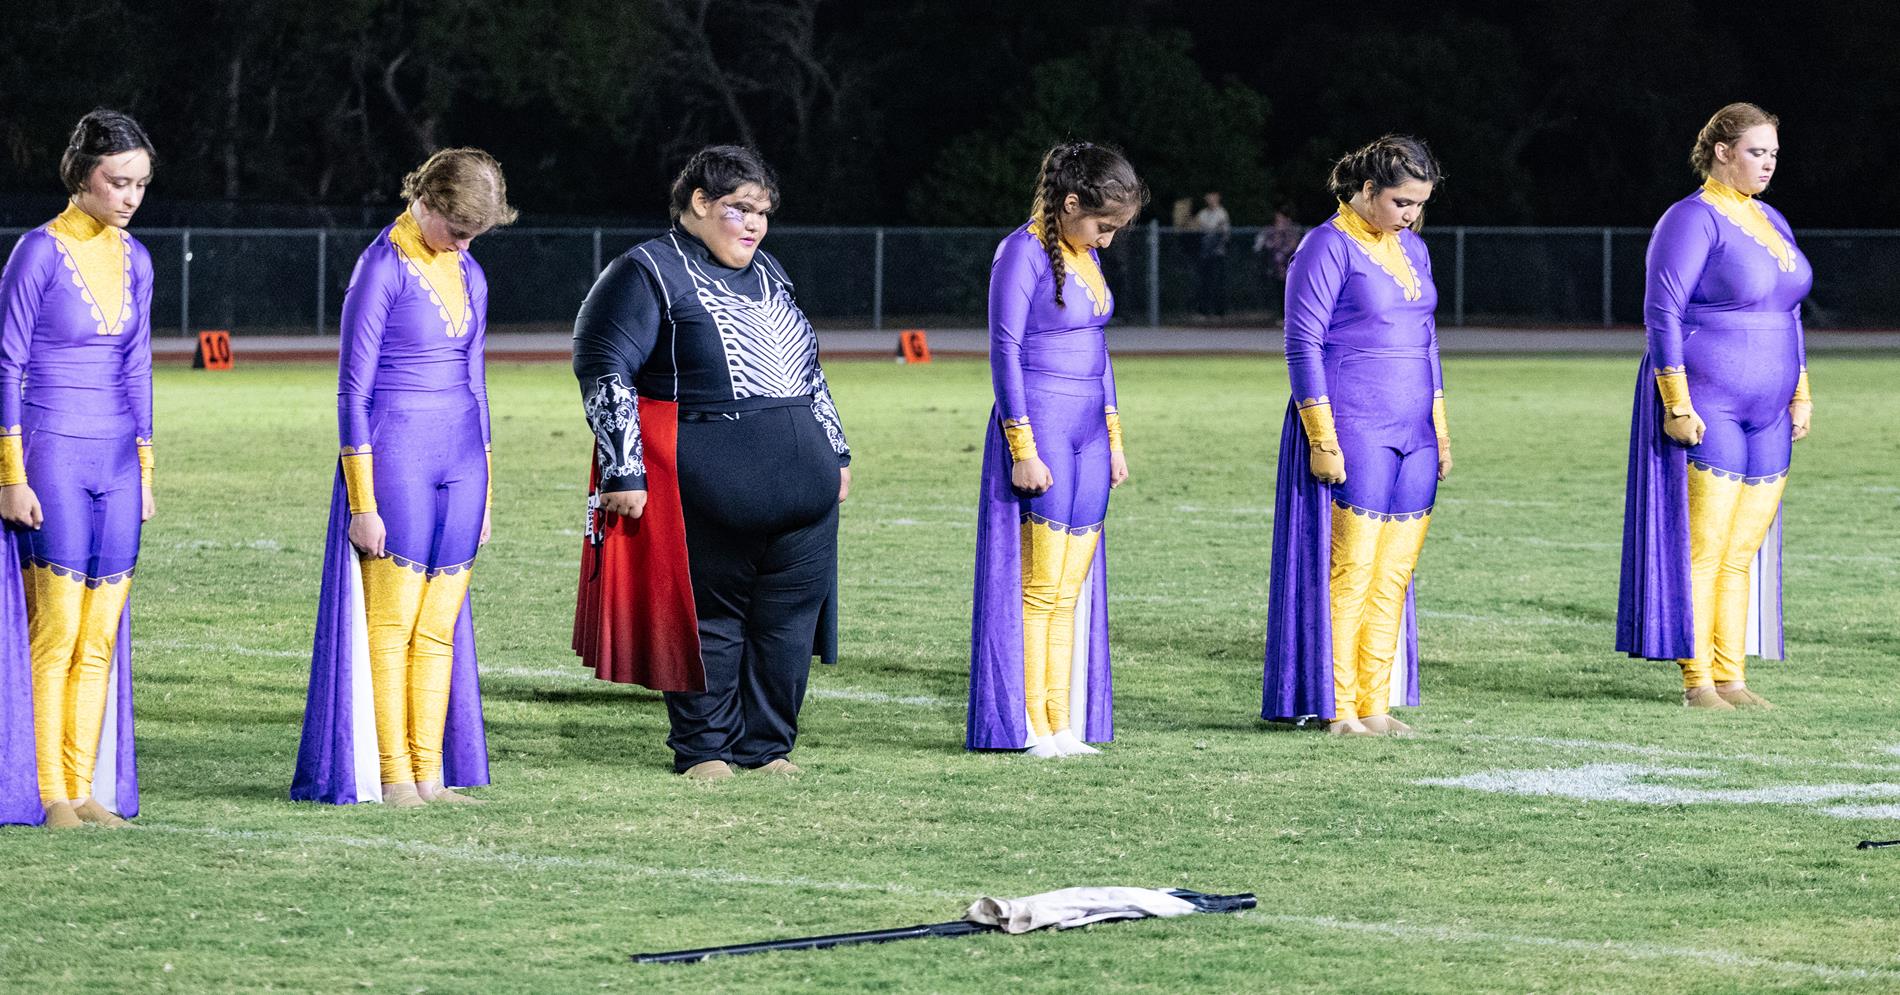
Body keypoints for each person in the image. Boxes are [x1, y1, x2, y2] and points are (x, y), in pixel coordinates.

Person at [572, 145, 850, 781]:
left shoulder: (770, 272)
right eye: (739, 209)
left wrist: (835, 449)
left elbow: (808, 369)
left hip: (803, 491)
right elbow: (603, 363)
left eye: (762, 213)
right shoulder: (646, 271)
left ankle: (768, 746)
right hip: (704, 491)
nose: (754, 225)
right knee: (710, 623)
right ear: (699, 203)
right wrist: (623, 469)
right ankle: (705, 750)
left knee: (785, 627)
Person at [292, 148, 516, 807]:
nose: (467, 242)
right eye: (460, 227)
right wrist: (362, 501)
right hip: (397, 459)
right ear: (429, 202)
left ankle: (430, 773)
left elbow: (477, 384)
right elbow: (351, 394)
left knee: (439, 629)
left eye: (478, 232)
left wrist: (488, 489)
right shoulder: (381, 268)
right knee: (391, 628)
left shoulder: (469, 272)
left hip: (461, 462)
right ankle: (392, 775)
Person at [1617, 102, 1812, 709]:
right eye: (1757, 152)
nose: (1768, 164)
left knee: (1742, 550)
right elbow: (1662, 312)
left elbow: (1791, 312)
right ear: (1722, 151)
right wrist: (1675, 400)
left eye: (1774, 154)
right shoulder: (1691, 218)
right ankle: (1697, 678)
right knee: (1705, 547)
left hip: (1770, 406)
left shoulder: (1772, 219)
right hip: (1711, 400)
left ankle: (1732, 676)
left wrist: (1800, 391)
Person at [0, 110, 157, 828]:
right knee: (56, 630)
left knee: (99, 636)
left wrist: (146, 471)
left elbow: (139, 367)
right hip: (52, 452)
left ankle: (82, 786)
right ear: (81, 176)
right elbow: (6, 365)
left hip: (116, 458)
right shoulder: (38, 252)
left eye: (141, 184)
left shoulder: (138, 259)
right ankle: (45, 792)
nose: (129, 196)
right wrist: (11, 473)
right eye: (117, 181)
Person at [1262, 136, 1448, 736]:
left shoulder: (1413, 249)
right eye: (1400, 201)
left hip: (1413, 429)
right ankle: (1339, 707)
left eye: (1419, 204)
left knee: (1394, 574)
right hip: (1356, 426)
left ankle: (1375, 703)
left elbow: (1427, 340)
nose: (1410, 214)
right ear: (1367, 190)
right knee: (1352, 572)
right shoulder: (1324, 246)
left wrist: (1439, 431)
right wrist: (1322, 437)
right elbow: (1302, 344)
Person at [968, 142, 1148, 757]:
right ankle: (1030, 722)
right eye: (1103, 225)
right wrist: (1022, 445)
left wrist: (1115, 441)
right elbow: (1004, 352)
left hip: (1089, 434)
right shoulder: (1021, 253)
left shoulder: (1086, 256)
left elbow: (1100, 355)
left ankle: (1061, 721)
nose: (1108, 239)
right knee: (1040, 587)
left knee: (1071, 589)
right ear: (1070, 203)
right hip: (1042, 425)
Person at [1252, 206, 1303, 319]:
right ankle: (1280, 314)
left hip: (1290, 265)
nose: (1279, 220)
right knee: (1278, 289)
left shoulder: (1293, 230)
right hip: (1275, 266)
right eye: (1277, 218)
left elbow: (1294, 245)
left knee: (1291, 290)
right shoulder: (1270, 231)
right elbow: (1264, 245)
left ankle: (1293, 315)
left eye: (1281, 218)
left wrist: (1283, 253)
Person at [1194, 191, 1231, 318]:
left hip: (1217, 253)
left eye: (1213, 198)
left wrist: (1211, 230)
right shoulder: (1203, 213)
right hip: (1205, 254)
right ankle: (1204, 311)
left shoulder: (1222, 213)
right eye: (1208, 197)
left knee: (1218, 282)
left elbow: (1223, 232)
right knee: (1204, 282)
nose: (1210, 200)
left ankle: (1219, 312)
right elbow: (1197, 227)